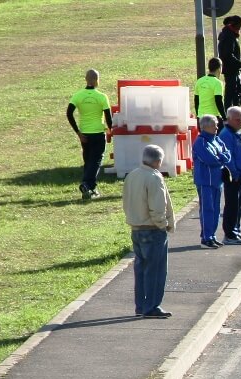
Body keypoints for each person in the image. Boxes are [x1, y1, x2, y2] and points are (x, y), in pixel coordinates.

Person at [122, 145, 175, 319]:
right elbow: (157, 207)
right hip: (152, 229)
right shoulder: (154, 178)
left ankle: (141, 305)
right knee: (156, 270)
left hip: (136, 227)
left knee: (141, 269)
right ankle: (152, 306)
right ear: (158, 161)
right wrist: (163, 224)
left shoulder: (132, 175)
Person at [66, 70, 112, 200]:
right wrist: (110, 129)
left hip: (84, 134)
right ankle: (86, 184)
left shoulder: (78, 96)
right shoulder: (102, 97)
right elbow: (108, 117)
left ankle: (90, 189)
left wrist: (78, 132)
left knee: (88, 161)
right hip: (98, 133)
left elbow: (69, 113)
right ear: (97, 80)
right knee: (96, 161)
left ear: (86, 79)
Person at [191, 115, 230, 249]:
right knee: (207, 209)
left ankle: (212, 235)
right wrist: (221, 158)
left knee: (216, 209)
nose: (217, 127)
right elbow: (210, 159)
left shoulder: (217, 139)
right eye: (214, 125)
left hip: (217, 180)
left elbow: (227, 155)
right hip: (205, 180)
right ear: (206, 127)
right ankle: (206, 237)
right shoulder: (200, 142)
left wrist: (220, 157)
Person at [219, 107, 241, 246]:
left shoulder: (236, 133)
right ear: (229, 119)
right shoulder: (226, 135)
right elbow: (228, 158)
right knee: (232, 205)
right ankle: (229, 234)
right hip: (234, 177)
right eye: (238, 119)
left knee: (237, 205)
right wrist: (235, 173)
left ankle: (235, 230)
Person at [218, 16, 241, 110]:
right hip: (230, 69)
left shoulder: (228, 34)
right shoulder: (229, 36)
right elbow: (228, 54)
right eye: (240, 25)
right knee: (231, 92)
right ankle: (229, 112)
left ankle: (235, 110)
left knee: (235, 90)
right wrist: (239, 63)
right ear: (236, 25)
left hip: (231, 68)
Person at [195, 59, 226, 127]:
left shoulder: (199, 81)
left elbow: (196, 101)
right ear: (219, 68)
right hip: (213, 118)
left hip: (201, 118)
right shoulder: (218, 83)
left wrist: (198, 116)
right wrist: (225, 118)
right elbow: (218, 101)